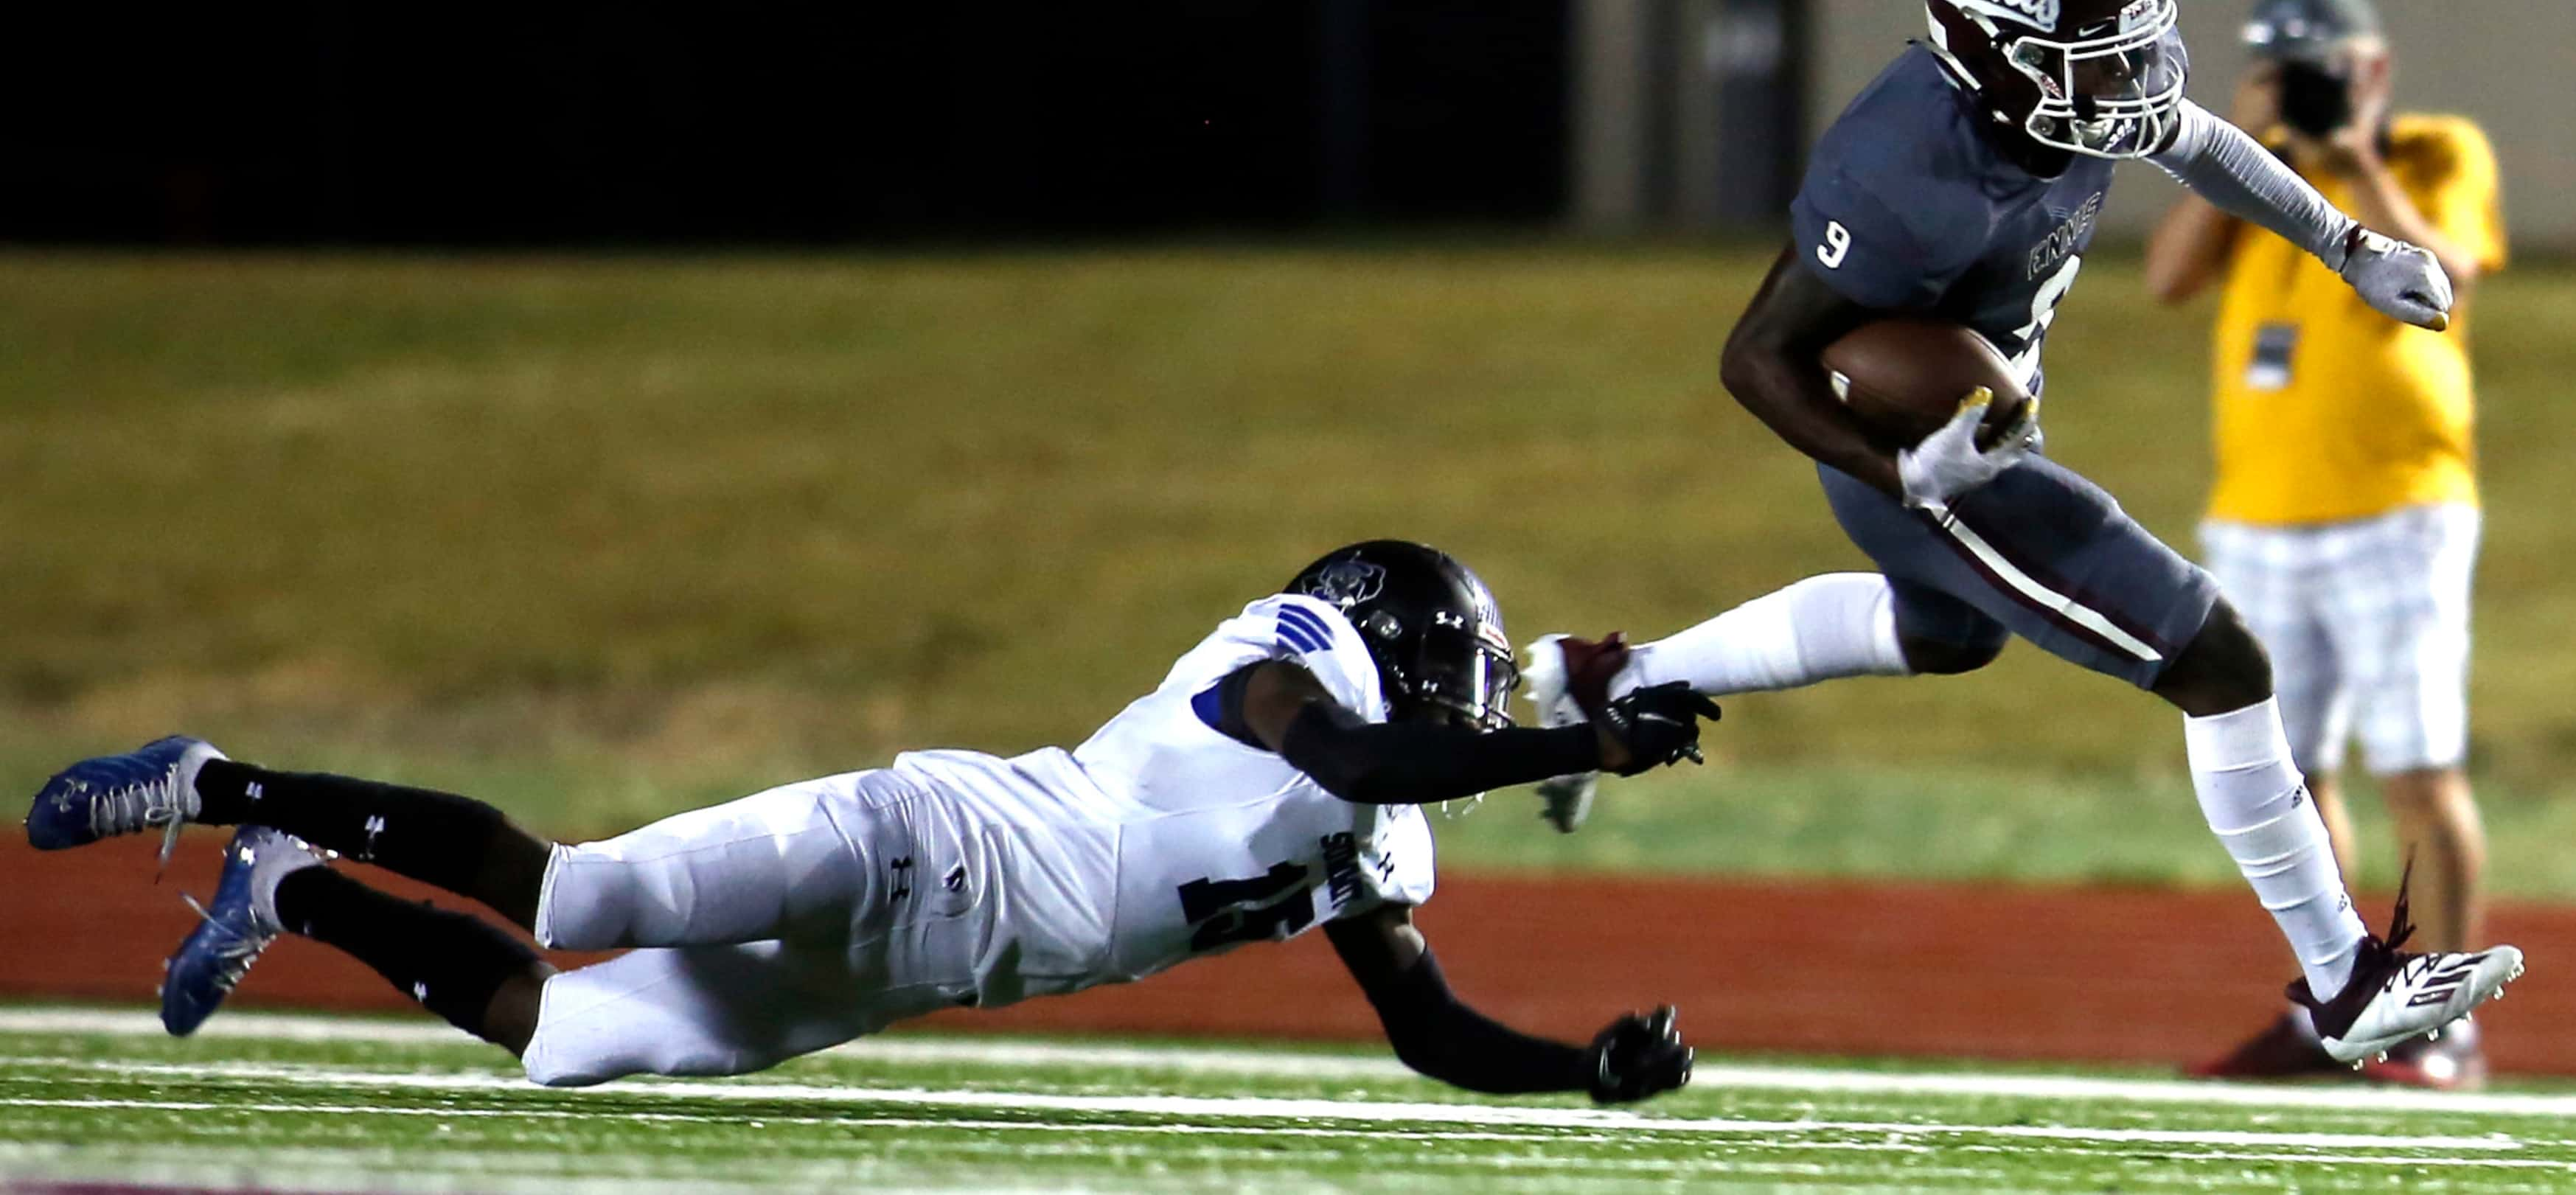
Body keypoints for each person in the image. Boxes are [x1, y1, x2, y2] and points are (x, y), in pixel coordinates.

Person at [1526, 0, 2518, 1065]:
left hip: (1981, 428)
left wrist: (2344, 243)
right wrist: (1901, 470)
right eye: (2094, 62)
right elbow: (1757, 357)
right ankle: (2344, 981)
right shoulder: (1901, 168)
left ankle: (1615, 678)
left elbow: (2198, 142)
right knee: (2213, 655)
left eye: (2128, 50)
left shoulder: (2073, 101)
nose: (2131, 83)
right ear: (1999, 63)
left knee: (1950, 630)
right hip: (1923, 444)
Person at [26, 540, 1713, 1101]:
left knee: (558, 1035)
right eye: (1461, 681)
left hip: (920, 975)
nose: (1472, 713)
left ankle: (297, 889)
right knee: (581, 886)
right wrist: (1583, 750)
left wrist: (1582, 1073)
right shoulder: (1287, 665)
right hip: (940, 842)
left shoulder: (1396, 812)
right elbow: (1347, 762)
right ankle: (210, 784)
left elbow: (1418, 1023)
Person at [2145, 0, 2506, 1088]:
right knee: (2289, 773)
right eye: (2280, 67)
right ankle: (2340, 1004)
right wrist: (2245, 141)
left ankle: (2446, 1028)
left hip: (2397, 506)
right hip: (2259, 512)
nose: (2305, 86)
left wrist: (2352, 160)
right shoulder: (2256, 183)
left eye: (2322, 67)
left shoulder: (2436, 152)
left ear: (2375, 68)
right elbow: (2165, 278)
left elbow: (2451, 276)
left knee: (2415, 765)